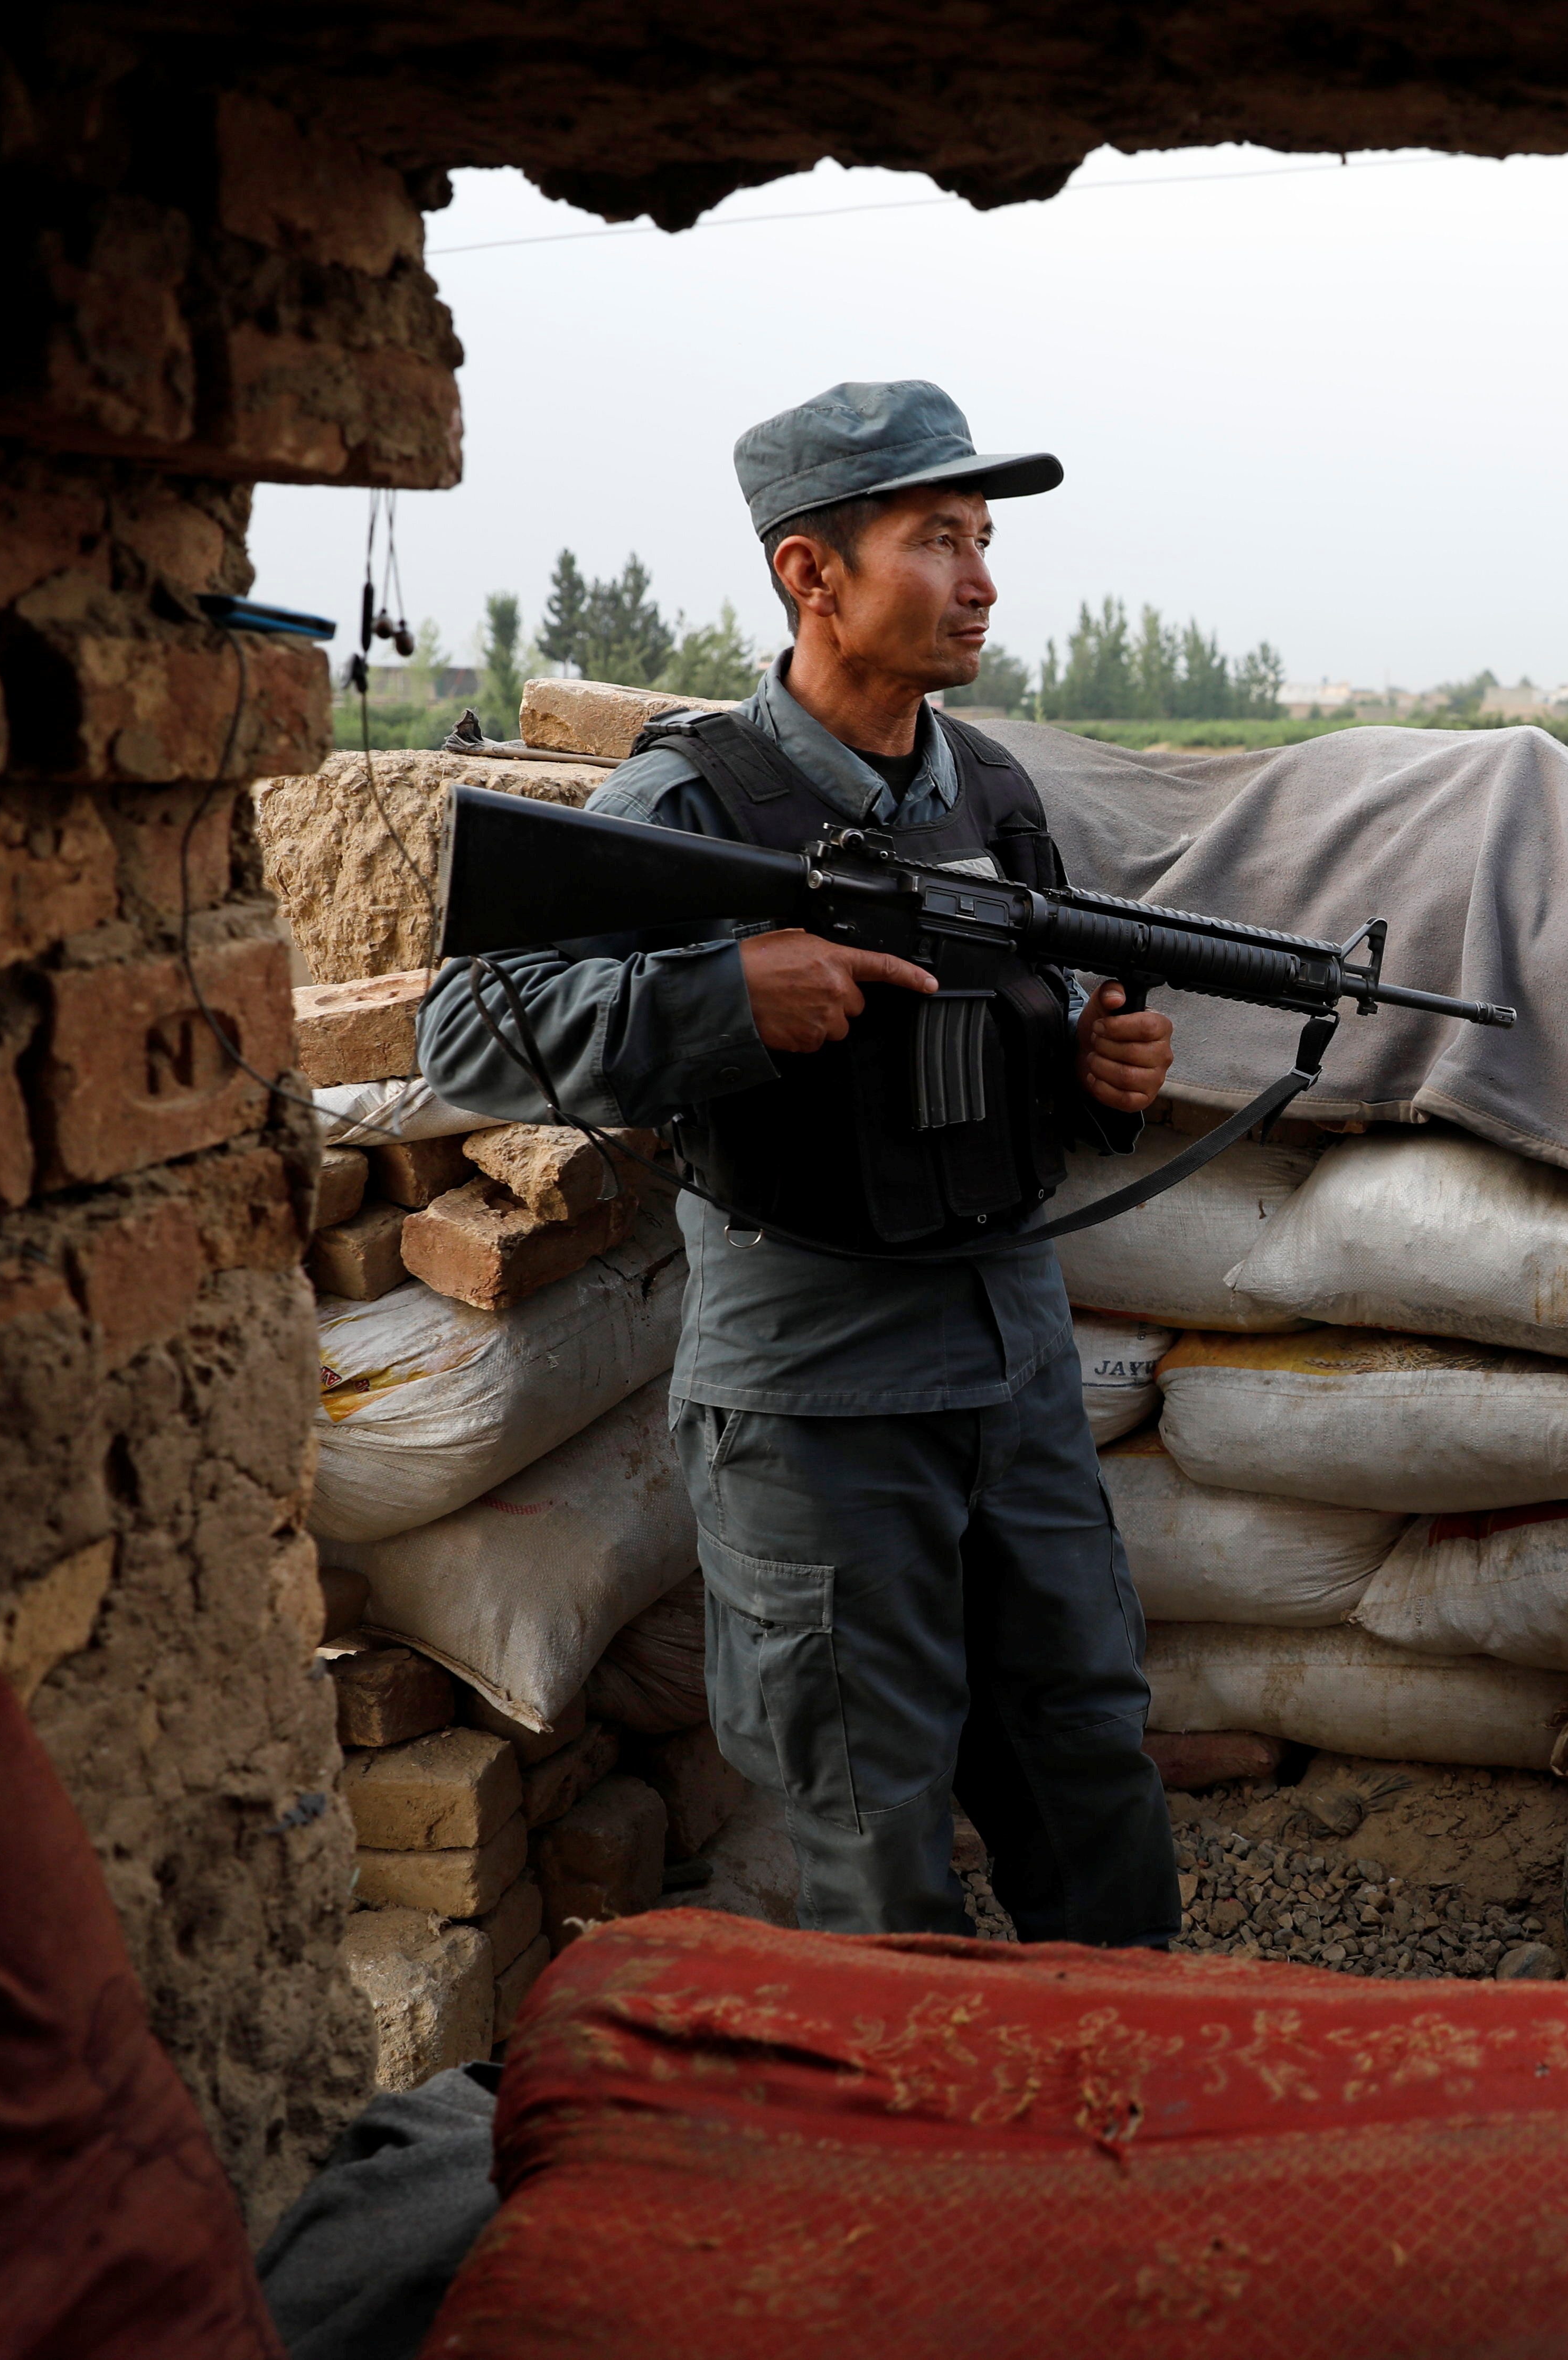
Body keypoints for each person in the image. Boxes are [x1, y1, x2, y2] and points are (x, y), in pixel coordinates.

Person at [415, 380, 1181, 1946]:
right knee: (868, 1816)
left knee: (1088, 1756)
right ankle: (894, 2174)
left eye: (982, 540)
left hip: (1012, 1362)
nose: (979, 579)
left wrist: (1093, 1071)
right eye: (935, 540)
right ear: (808, 573)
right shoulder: (695, 802)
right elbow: (469, 1036)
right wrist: (722, 995)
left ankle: (1127, 2132)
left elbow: (992, 1040)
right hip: (819, 1389)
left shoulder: (993, 797)